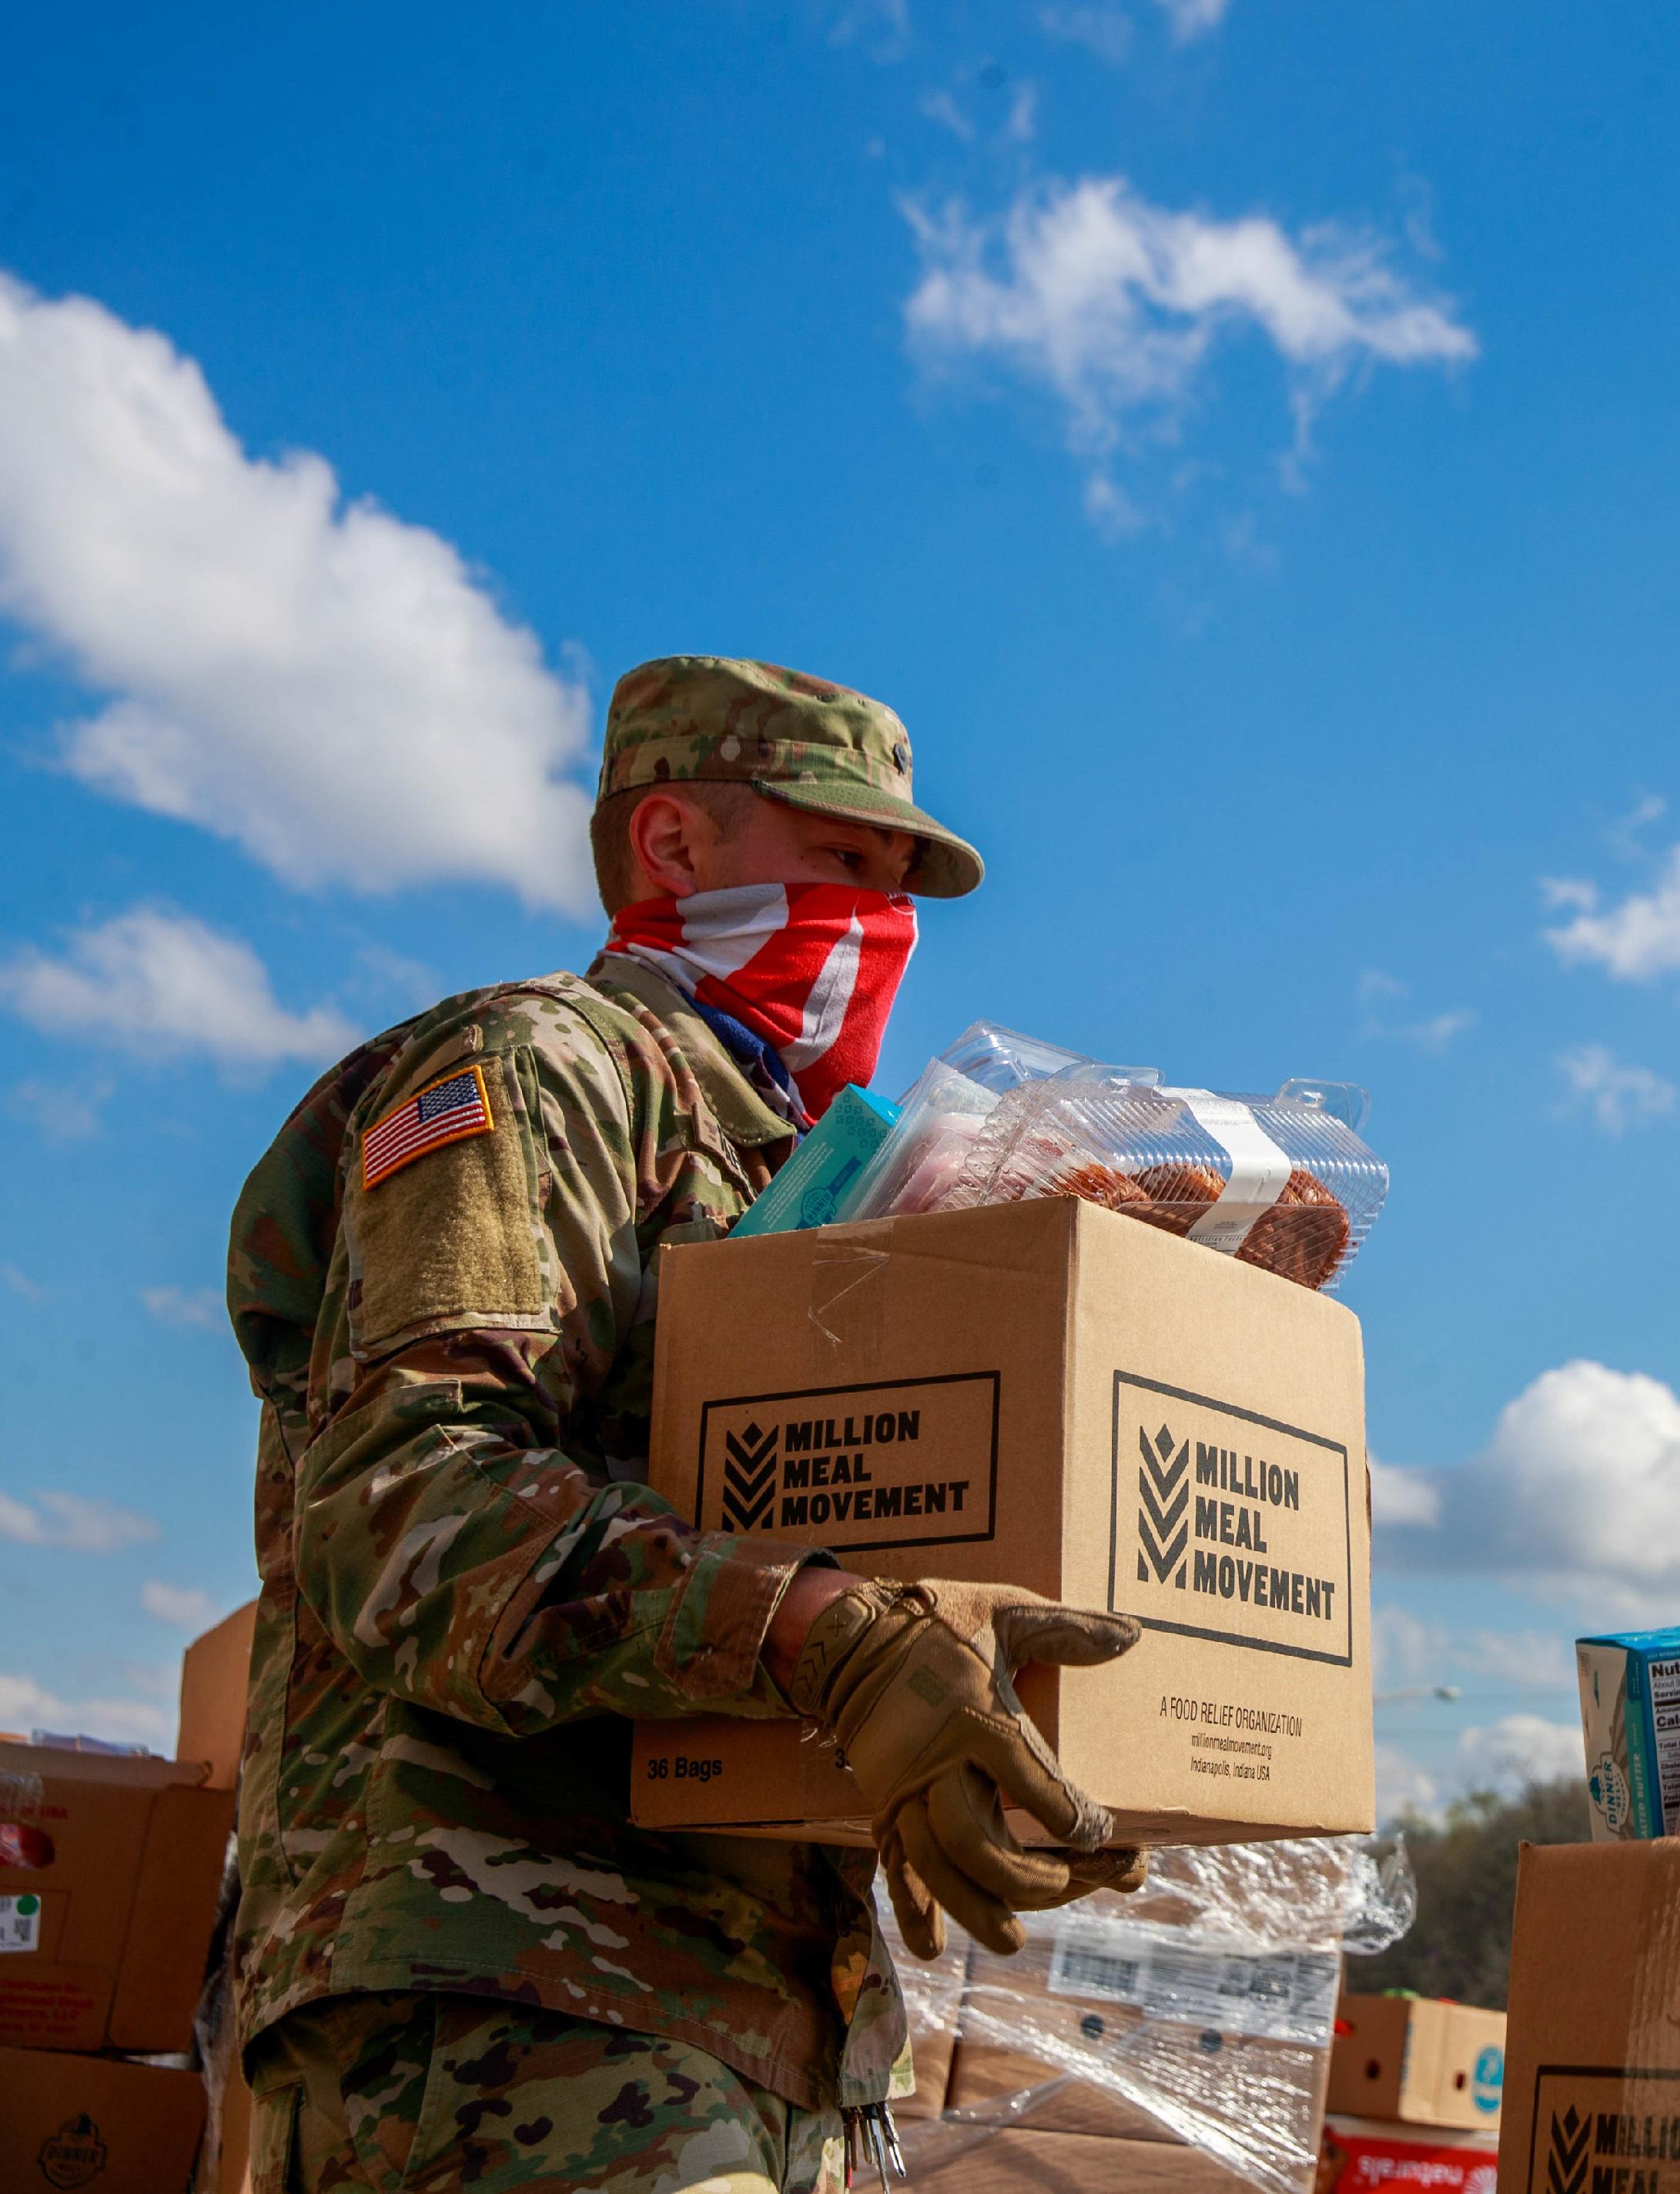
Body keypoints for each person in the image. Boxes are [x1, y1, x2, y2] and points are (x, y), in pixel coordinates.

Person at [222, 657, 1140, 2192]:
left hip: (767, 2024)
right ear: (672, 847)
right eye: (845, 859)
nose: (885, 916)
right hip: (509, 2008)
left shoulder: (815, 1164)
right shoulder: (544, 1069)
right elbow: (408, 1517)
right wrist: (834, 1638)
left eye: (904, 880)